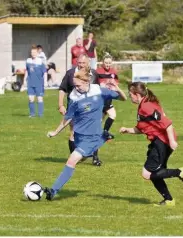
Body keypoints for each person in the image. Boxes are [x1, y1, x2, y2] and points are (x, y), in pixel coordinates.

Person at [44, 68, 127, 200]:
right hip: (79, 135)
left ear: (87, 81)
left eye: (78, 85)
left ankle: (53, 191)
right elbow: (67, 118)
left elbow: (123, 98)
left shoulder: (98, 90)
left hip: (91, 137)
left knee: (71, 161)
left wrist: (117, 88)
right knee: (81, 157)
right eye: (74, 85)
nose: (76, 88)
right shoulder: (74, 97)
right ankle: (104, 137)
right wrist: (56, 132)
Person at [119, 82, 183, 206]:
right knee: (156, 173)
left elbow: (167, 123)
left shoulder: (147, 106)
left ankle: (179, 172)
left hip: (162, 141)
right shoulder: (143, 105)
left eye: (130, 94)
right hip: (160, 141)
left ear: (137, 94)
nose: (130, 97)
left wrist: (171, 141)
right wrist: (128, 130)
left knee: (147, 173)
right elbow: (142, 128)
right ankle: (169, 200)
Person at [58, 54, 100, 166]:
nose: (81, 65)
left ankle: (95, 158)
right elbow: (62, 89)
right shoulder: (70, 73)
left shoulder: (94, 74)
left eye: (84, 63)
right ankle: (74, 156)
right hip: (75, 108)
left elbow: (99, 92)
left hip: (91, 109)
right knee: (73, 131)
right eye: (79, 63)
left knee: (93, 132)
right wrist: (61, 105)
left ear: (88, 63)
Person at [96, 53, 118, 140]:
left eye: (109, 63)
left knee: (111, 115)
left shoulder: (114, 72)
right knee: (101, 119)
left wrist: (112, 86)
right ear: (102, 63)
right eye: (106, 62)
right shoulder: (98, 71)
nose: (108, 64)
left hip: (108, 99)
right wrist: (101, 85)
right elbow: (93, 84)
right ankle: (100, 134)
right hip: (100, 100)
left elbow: (116, 84)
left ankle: (104, 132)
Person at [24, 46, 47, 117]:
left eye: (34, 52)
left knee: (39, 99)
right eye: (32, 52)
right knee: (31, 99)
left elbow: (45, 72)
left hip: (39, 83)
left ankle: (40, 114)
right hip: (30, 83)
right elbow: (27, 71)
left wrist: (45, 82)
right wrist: (24, 80)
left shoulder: (40, 61)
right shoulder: (28, 61)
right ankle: (32, 114)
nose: (33, 54)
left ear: (37, 53)